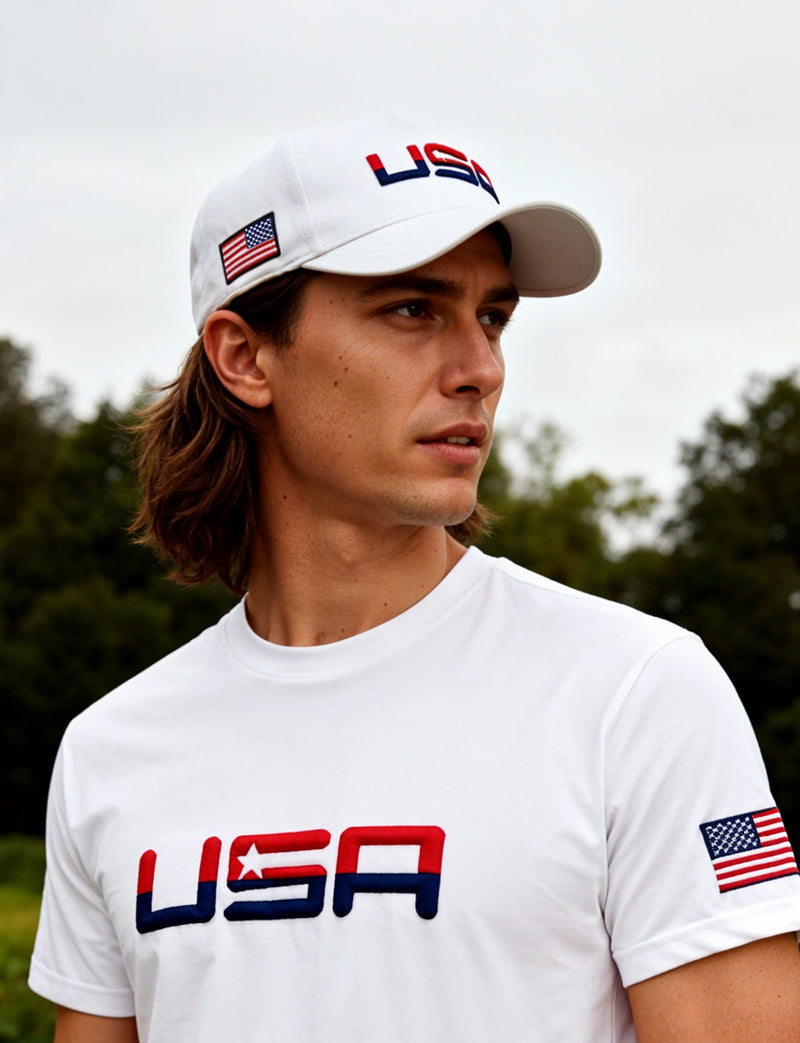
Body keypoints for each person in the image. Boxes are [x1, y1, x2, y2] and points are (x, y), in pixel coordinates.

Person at [29, 116, 800, 1042]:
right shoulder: (111, 751)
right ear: (244, 356)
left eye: (493, 317)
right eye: (411, 310)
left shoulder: (636, 695)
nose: (482, 369)